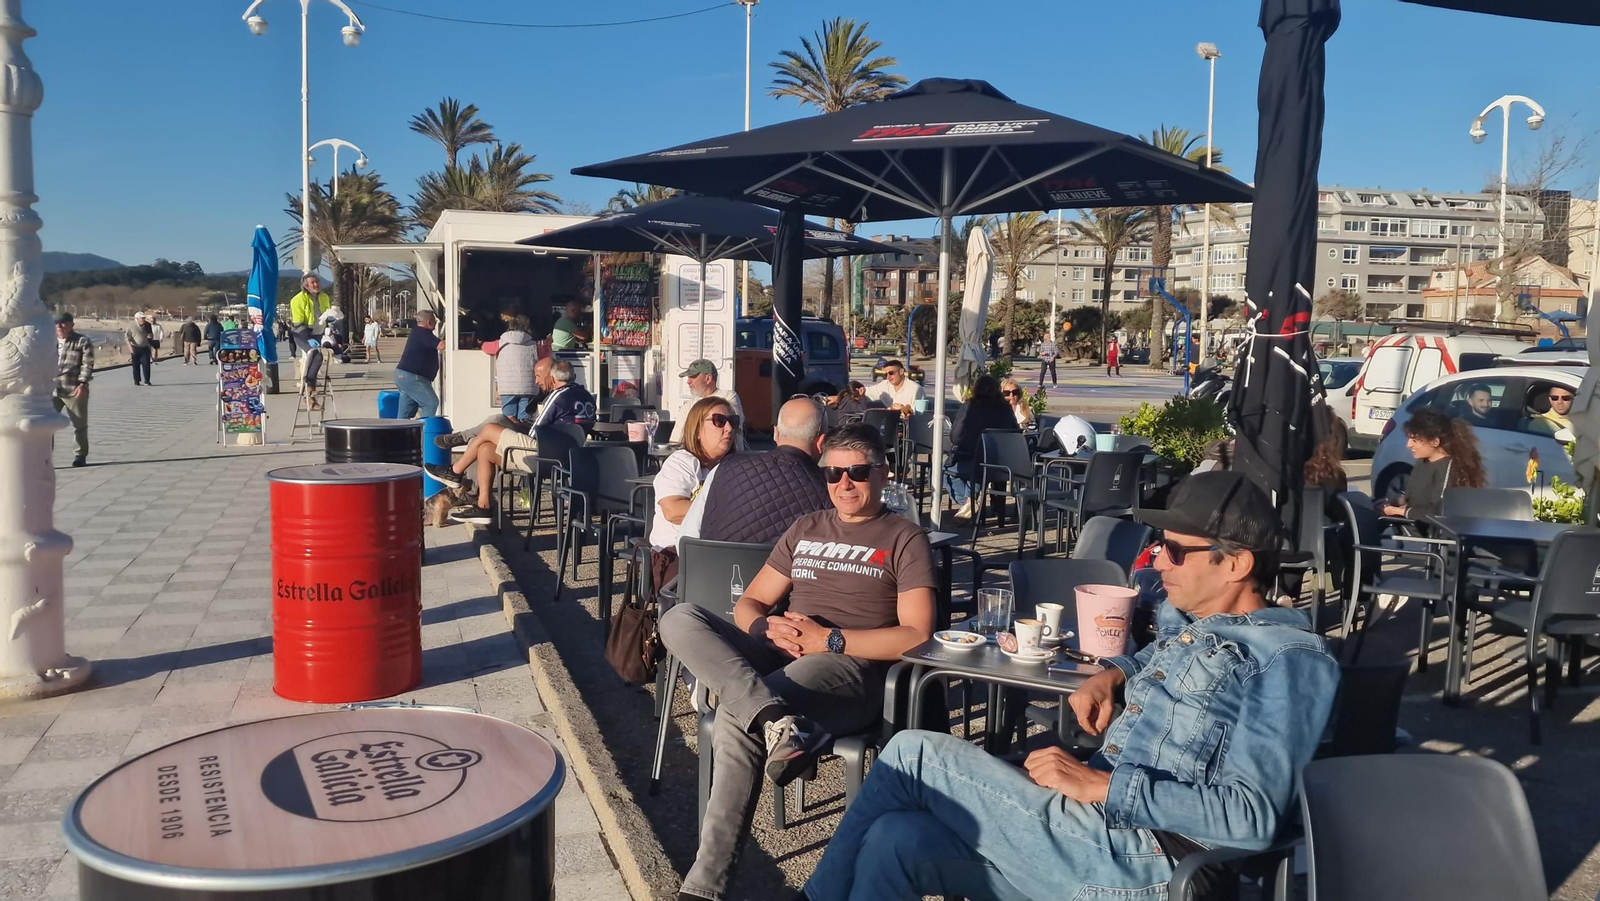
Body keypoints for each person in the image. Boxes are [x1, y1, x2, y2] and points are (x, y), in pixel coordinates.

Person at [801, 470, 1340, 901]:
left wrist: (1100, 786)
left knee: (914, 752)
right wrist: (1115, 674)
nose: (1156, 560)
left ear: (1238, 564)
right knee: (893, 840)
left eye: (1176, 550)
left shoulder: (1290, 661)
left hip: (1150, 862)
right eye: (1158, 544)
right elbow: (1161, 656)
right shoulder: (1195, 626)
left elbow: (1253, 818)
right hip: (1091, 834)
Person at [660, 425, 937, 901]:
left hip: (846, 666)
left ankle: (704, 889)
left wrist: (828, 639)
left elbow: (917, 634)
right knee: (679, 617)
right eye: (832, 473)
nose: (843, 483)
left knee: (732, 713)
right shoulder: (806, 527)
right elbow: (750, 602)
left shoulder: (904, 536)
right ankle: (775, 719)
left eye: (856, 472)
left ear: (882, 471)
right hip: (781, 651)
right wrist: (765, 628)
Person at [433, 359, 595, 525]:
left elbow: (535, 432)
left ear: (553, 378)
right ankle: (483, 505)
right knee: (485, 449)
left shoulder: (558, 395)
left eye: (538, 376)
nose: (536, 381)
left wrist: (515, 428)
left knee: (490, 428)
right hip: (571, 458)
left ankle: (455, 471)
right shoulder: (587, 396)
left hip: (544, 456)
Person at [676, 397, 831, 549]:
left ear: (776, 433)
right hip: (785, 574)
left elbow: (685, 539)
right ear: (821, 443)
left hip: (713, 572)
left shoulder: (725, 468)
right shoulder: (832, 488)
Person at [650, 396, 737, 549]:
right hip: (675, 553)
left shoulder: (734, 466)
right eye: (719, 421)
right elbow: (672, 510)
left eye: (733, 421)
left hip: (718, 551)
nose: (729, 428)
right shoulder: (681, 462)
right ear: (697, 430)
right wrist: (729, 512)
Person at [1380, 409, 1486, 523]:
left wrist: (1400, 512)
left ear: (1435, 442)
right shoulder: (1423, 462)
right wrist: (1394, 502)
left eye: (1415, 440)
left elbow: (1438, 513)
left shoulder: (1450, 468)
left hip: (1433, 534)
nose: (1409, 445)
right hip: (1413, 524)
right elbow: (1412, 497)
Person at [946, 375, 1020, 523]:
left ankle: (969, 502)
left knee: (942, 471)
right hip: (1001, 464)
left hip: (972, 459)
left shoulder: (969, 407)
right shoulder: (1005, 409)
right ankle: (971, 501)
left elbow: (956, 436)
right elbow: (1015, 432)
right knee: (977, 472)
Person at [670, 359, 746, 444]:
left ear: (708, 378)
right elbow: (675, 440)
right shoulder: (688, 406)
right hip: (696, 456)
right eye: (688, 377)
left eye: (693, 376)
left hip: (729, 455)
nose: (688, 381)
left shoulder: (728, 396)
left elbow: (733, 428)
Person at [54, 312, 93, 468]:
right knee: (44, 426)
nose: (59, 326)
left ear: (71, 325)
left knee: (80, 425)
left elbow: (87, 364)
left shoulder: (82, 341)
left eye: (63, 323)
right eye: (56, 323)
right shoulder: (47, 341)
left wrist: (83, 383)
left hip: (74, 389)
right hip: (51, 389)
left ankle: (80, 455)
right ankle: (43, 457)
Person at [393, 308, 441, 419]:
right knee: (431, 403)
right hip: (412, 376)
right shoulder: (423, 333)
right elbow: (441, 345)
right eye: (435, 321)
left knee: (405, 412)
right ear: (429, 322)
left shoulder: (417, 332)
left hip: (403, 376)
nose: (436, 324)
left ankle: (399, 434)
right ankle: (423, 432)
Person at [491, 315, 540, 420]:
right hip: (528, 388)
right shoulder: (535, 345)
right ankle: (524, 436)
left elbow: (485, 347)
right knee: (525, 419)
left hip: (507, 387)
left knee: (508, 419)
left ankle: (510, 435)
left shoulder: (500, 343)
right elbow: (547, 352)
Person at [289, 274, 330, 364]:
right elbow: (298, 322)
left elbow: (326, 316)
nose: (316, 284)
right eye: (313, 282)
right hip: (302, 334)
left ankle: (309, 377)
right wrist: (308, 338)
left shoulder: (324, 297)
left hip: (318, 333)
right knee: (316, 356)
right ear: (306, 286)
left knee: (317, 358)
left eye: (317, 282)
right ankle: (308, 378)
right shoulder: (297, 299)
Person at [125, 311, 153, 386]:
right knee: (136, 365)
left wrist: (150, 336)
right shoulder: (131, 326)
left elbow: (151, 334)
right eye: (142, 318)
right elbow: (127, 338)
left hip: (145, 347)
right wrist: (131, 349)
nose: (144, 319)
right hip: (135, 347)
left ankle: (147, 380)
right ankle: (137, 380)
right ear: (137, 319)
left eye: (144, 318)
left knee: (146, 364)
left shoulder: (148, 325)